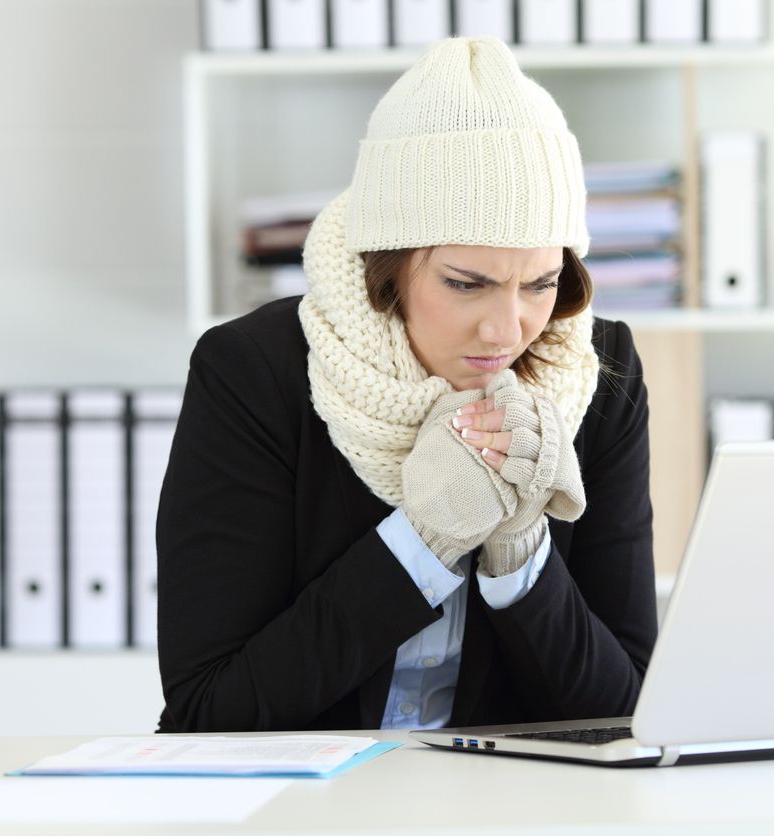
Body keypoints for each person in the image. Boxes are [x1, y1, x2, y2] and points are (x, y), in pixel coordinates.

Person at [155, 36, 656, 733]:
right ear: (385, 268)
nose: (506, 330)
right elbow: (211, 711)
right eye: (465, 284)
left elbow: (626, 710)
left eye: (540, 284)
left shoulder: (597, 376)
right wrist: (426, 537)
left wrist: (519, 552)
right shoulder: (251, 373)